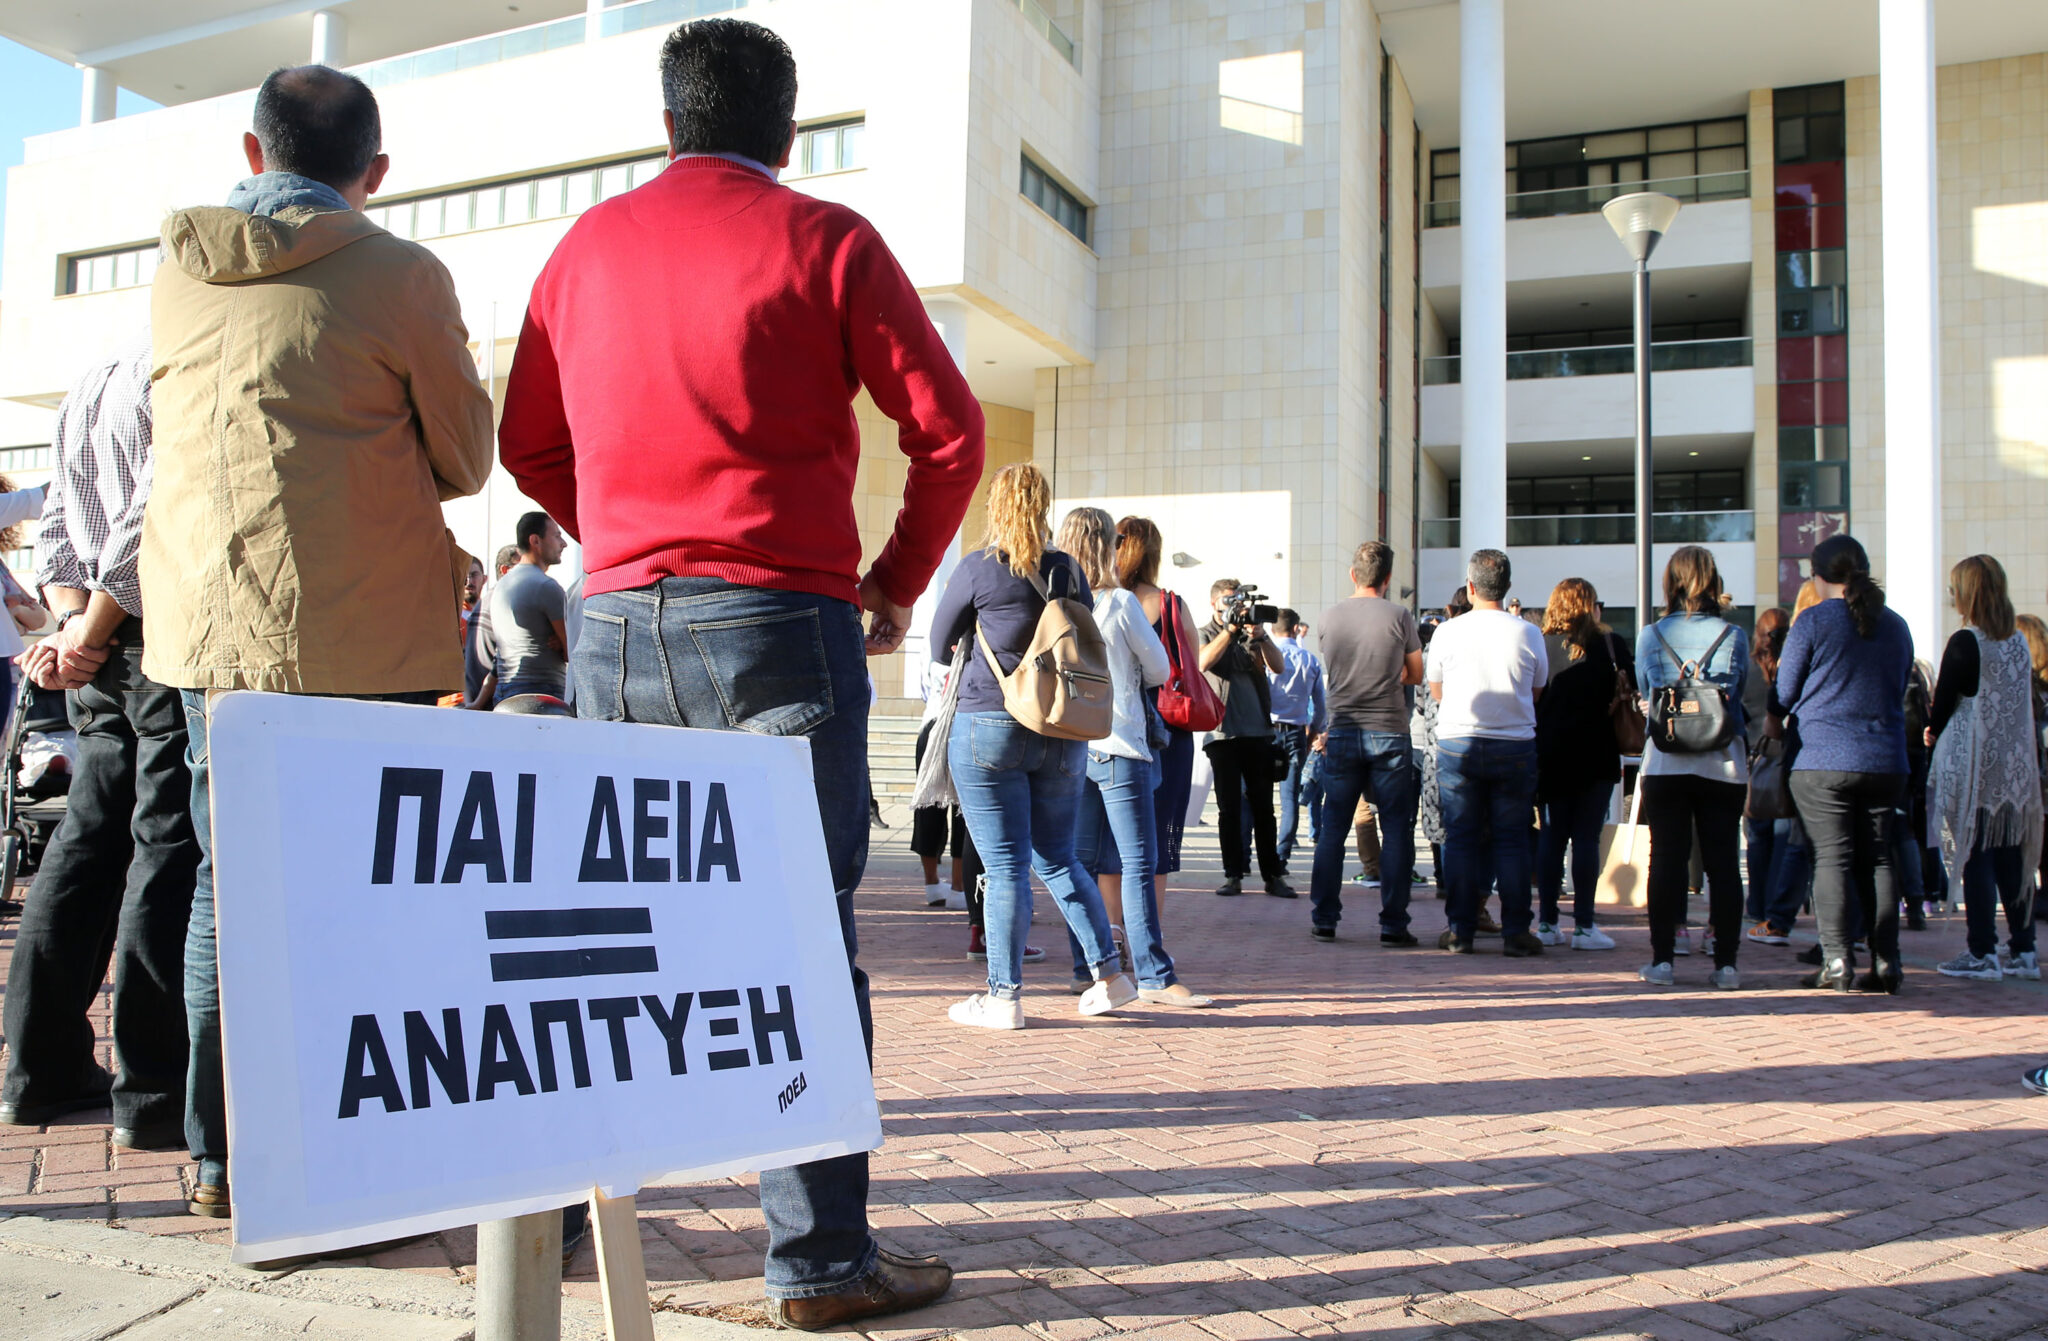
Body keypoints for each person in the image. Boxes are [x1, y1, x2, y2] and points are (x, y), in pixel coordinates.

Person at [498, 20, 981, 1326]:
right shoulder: (825, 239)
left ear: (669, 123)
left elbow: (527, 439)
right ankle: (818, 1259)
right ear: (787, 128)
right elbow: (950, 432)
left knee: (601, 933)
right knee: (798, 939)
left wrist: (621, 529)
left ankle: (557, 1221)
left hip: (612, 624)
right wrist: (891, 580)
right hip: (777, 615)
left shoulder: (584, 248)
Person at [141, 66, 495, 1219]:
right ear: (374, 173)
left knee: (226, 893)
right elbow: (464, 460)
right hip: (363, 633)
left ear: (255, 154)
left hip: (212, 630)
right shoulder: (400, 273)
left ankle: (220, 1156)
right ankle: (353, 1145)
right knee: (366, 893)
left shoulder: (175, 275)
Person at [0, 339, 199, 1157]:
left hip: (92, 636)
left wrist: (67, 626)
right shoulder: (178, 364)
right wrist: (87, 627)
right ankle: (150, 1090)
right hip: (151, 632)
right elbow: (147, 518)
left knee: (85, 843)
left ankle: (34, 1071)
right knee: (164, 848)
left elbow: (59, 528)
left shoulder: (92, 378)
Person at [928, 467, 1134, 1030]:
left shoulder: (978, 568)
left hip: (989, 722)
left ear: (994, 505)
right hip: (1061, 730)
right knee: (1060, 857)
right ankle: (1110, 977)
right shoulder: (1066, 569)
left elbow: (940, 642)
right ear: (1045, 506)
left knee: (1004, 865)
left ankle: (1003, 997)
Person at [1057, 507, 1210, 1008]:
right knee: (1138, 863)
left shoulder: (1054, 603)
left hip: (1072, 745)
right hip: (1121, 744)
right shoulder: (1119, 603)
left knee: (1080, 862)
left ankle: (1089, 968)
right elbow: (1160, 667)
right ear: (1106, 546)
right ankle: (1154, 976)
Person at [1776, 535, 1915, 993]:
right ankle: (1886, 962)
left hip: (1823, 759)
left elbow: (1785, 692)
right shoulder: (1896, 625)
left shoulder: (1813, 622)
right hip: (1886, 758)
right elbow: (1899, 689)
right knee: (1878, 859)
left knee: (1832, 858)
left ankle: (1836, 962)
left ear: (1818, 578)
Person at [1633, 547, 1749, 990]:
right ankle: (1727, 965)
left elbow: (1649, 694)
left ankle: (1663, 959)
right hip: (1721, 761)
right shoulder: (1732, 636)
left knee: (1665, 860)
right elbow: (1735, 697)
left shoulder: (1651, 636)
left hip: (1666, 760)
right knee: (1723, 864)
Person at [1427, 549, 1546, 956]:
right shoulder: (1528, 633)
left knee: (1460, 838)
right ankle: (1516, 931)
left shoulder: (1447, 631)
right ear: (1508, 587)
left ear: (1471, 586)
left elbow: (1436, 690)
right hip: (1514, 742)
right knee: (1511, 840)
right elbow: (1536, 690)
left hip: (1458, 741)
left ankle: (1460, 929)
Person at [1930, 555, 2041, 983]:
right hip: (2011, 765)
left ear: (1968, 592)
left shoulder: (1965, 641)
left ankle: (1982, 951)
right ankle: (2024, 949)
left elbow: (1942, 704)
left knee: (1975, 852)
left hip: (1973, 763)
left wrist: (1931, 731)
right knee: (2012, 857)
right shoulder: (2016, 642)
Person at [1309, 541, 1422, 945]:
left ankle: (1324, 916)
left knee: (1333, 829)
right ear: (1388, 579)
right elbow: (1415, 672)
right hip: (1390, 730)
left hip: (1342, 730)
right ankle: (1394, 923)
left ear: (1353, 575)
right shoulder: (1400, 616)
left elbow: (1333, 667)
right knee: (1396, 829)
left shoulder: (1329, 617)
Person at [1532, 578, 1621, 950]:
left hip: (1551, 754)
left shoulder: (1540, 645)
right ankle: (1584, 925)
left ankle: (1548, 923)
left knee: (1552, 838)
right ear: (1590, 606)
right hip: (1596, 751)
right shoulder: (1608, 645)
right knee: (1587, 839)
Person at [1115, 516, 1198, 882]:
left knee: (1113, 848)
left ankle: (1112, 936)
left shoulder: (1107, 602)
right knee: (1157, 851)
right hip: (1171, 730)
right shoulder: (1172, 605)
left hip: (1118, 729)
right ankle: (1149, 936)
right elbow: (1192, 666)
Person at [1199, 579, 1292, 898]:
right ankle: (1232, 874)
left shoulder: (1254, 634)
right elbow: (1202, 662)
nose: (1234, 609)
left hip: (1259, 732)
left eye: (1237, 602)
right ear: (1214, 604)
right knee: (1229, 808)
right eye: (1228, 602)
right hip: (1222, 732)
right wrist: (1229, 631)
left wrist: (1261, 635)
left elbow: (1278, 667)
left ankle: (1272, 875)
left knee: (1264, 808)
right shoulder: (1207, 633)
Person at [1742, 607, 1812, 947]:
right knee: (1785, 836)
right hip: (1789, 758)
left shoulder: (1751, 669)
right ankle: (1774, 907)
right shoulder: (1795, 667)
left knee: (1757, 836)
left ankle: (1756, 906)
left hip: (1756, 760)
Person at [489, 511, 569, 706]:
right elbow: (572, 652)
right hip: (541, 695)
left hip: (504, 693)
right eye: (557, 535)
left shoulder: (500, 586)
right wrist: (562, 644)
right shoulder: (546, 587)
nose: (564, 543)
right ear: (535, 540)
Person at [1267, 609, 1327, 868]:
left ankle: (1246, 857)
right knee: (1289, 798)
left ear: (1271, 629)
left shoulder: (1264, 656)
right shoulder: (1309, 659)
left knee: (1255, 796)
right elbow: (1321, 706)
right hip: (1295, 731)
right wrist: (1314, 731)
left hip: (1265, 730)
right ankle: (1281, 857)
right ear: (1295, 629)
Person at [465, 544, 521, 709]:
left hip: (478, 706)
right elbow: (500, 662)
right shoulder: (504, 604)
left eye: (474, 575)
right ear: (504, 570)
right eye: (522, 568)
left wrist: (472, 703)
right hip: (495, 706)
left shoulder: (482, 605)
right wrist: (477, 703)